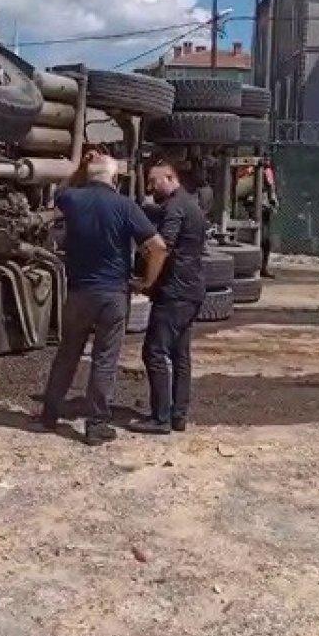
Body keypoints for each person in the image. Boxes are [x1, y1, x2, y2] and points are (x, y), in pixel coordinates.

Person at [41, 152, 167, 446]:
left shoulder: (73, 199)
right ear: (114, 179)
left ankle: (49, 415)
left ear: (89, 174)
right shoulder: (126, 206)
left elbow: (59, 192)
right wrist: (146, 282)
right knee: (104, 361)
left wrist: (80, 168)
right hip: (113, 295)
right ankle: (96, 426)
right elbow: (158, 247)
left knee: (67, 355)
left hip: (78, 293)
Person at [131, 160, 206, 436]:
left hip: (174, 293)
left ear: (170, 177)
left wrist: (146, 282)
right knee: (180, 354)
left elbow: (162, 248)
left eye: (154, 182)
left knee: (154, 351)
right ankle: (178, 414)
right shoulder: (192, 205)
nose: (151, 189)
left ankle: (160, 417)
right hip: (193, 289)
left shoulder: (174, 208)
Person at [260, 157, 279, 278]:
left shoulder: (250, 171)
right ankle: (262, 268)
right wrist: (274, 202)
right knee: (264, 241)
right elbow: (271, 189)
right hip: (262, 208)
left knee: (263, 241)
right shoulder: (266, 171)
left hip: (255, 207)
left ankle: (262, 267)